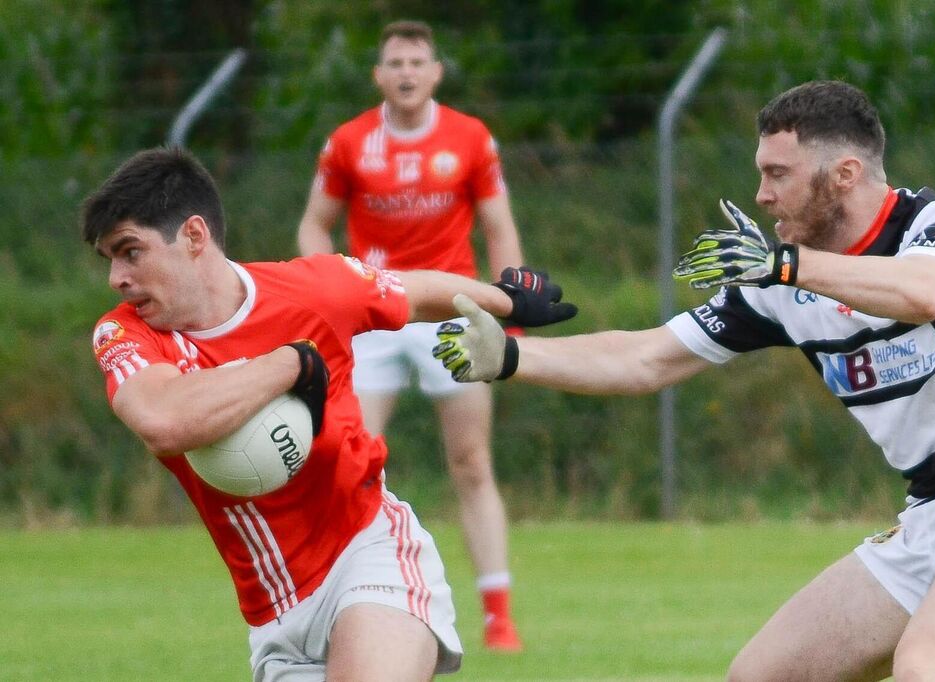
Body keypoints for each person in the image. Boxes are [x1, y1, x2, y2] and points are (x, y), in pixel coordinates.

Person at [433, 80, 935, 681]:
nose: (761, 194)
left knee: (930, 669)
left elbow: (926, 292)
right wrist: (516, 359)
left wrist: (787, 267)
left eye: (777, 173)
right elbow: (647, 358)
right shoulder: (778, 280)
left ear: (844, 174)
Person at [82, 147, 575, 681]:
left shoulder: (313, 289)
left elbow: (415, 291)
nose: (117, 277)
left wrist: (505, 299)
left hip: (369, 554)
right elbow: (162, 420)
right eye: (109, 258)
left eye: (131, 252)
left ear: (194, 236)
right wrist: (288, 366)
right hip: (275, 615)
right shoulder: (124, 333)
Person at [295, 19, 529, 651]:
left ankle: (498, 615)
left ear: (434, 73)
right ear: (379, 75)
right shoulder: (347, 143)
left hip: (449, 315)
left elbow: (498, 225)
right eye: (394, 62)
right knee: (349, 459)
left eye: (416, 62)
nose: (405, 73)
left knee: (471, 461)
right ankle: (337, 602)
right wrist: (332, 289)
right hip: (372, 320)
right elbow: (314, 228)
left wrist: (507, 302)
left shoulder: (470, 138)